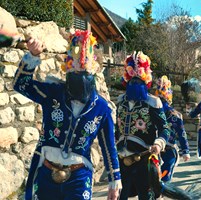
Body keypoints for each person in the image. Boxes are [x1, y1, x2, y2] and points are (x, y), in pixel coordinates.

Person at [13, 31, 121, 200]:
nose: (80, 76)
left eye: (85, 72)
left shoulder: (101, 108)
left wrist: (115, 181)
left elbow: (108, 146)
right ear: (68, 66)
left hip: (78, 178)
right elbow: (20, 84)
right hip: (47, 174)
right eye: (76, 70)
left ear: (96, 69)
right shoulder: (53, 93)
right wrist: (32, 56)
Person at [114, 51, 173, 199]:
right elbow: (116, 128)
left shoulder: (153, 102)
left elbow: (164, 128)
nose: (135, 82)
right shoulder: (120, 101)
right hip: (122, 159)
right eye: (132, 78)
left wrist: (159, 143)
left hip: (144, 159)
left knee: (145, 196)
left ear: (146, 79)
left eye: (139, 79)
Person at [154, 75, 190, 183]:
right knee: (161, 177)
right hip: (160, 150)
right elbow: (182, 134)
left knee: (158, 177)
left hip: (160, 149)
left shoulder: (174, 116)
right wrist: (185, 151)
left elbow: (181, 133)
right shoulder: (175, 115)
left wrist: (185, 150)